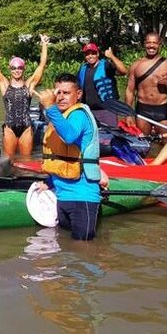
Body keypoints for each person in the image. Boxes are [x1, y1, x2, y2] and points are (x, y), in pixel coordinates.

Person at [34, 73, 108, 241]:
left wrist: (50, 107)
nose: (61, 97)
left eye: (66, 93)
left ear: (78, 94)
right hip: (61, 195)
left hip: (83, 197)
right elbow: (61, 159)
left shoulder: (79, 115)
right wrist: (49, 182)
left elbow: (69, 136)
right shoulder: (60, 118)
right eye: (58, 93)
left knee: (83, 249)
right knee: (66, 250)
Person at [0, 33, 49, 157]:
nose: (17, 70)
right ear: (10, 69)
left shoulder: (29, 85)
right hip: (9, 127)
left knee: (26, 160)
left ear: (23, 69)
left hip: (26, 127)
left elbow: (42, 65)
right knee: (9, 161)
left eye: (20, 67)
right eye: (14, 68)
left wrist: (44, 44)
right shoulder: (4, 85)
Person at [125, 32, 167, 135]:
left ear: (159, 45)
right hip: (143, 109)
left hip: (161, 108)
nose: (151, 46)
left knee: (165, 142)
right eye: (149, 43)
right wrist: (127, 114)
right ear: (144, 44)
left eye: (154, 43)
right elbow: (130, 91)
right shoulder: (136, 65)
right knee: (144, 143)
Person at [77, 42, 128, 128]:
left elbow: (124, 71)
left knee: (110, 137)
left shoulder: (106, 65)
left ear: (97, 54)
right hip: (89, 111)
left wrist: (112, 56)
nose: (90, 56)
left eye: (93, 53)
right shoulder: (83, 69)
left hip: (107, 110)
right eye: (87, 54)